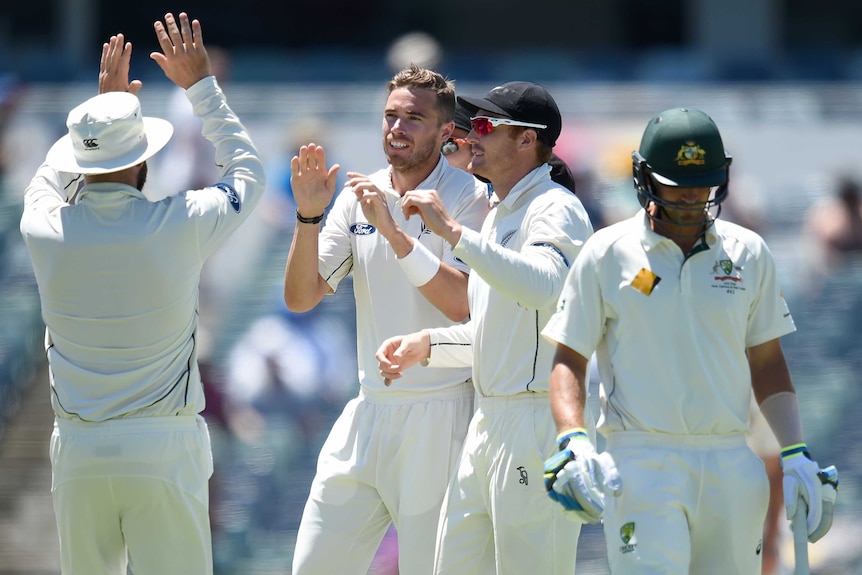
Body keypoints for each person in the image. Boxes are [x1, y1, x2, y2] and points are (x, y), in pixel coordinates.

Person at [541, 107, 839, 573]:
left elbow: (767, 361)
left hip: (731, 460)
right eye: (676, 185)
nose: (691, 197)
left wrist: (794, 450)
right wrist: (573, 438)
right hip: (641, 460)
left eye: (702, 185)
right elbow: (569, 357)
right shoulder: (607, 253)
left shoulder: (749, 252)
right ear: (645, 179)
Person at [19, 13, 266, 575]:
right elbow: (247, 173)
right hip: (164, 448)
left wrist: (100, 119)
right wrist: (202, 87)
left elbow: (51, 178)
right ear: (142, 159)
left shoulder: (43, 228)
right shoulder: (181, 221)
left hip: (79, 452)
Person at [375, 81, 594, 574]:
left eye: (486, 125)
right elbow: (498, 334)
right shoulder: (499, 216)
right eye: (471, 124)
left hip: (535, 421)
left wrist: (454, 233)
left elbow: (545, 287)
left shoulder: (555, 207)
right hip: (489, 419)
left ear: (527, 141)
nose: (472, 135)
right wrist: (426, 345)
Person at [283, 65, 489, 575]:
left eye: (414, 118)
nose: (397, 128)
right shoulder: (359, 194)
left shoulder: (470, 198)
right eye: (390, 116)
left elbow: (464, 305)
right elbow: (301, 297)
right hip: (369, 408)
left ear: (446, 133)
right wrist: (308, 215)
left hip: (442, 415)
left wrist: (397, 235)